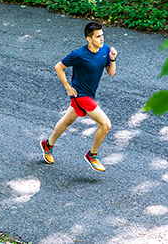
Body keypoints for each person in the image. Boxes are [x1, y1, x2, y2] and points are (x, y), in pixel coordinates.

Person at [40, 22, 117, 172]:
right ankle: (92, 155)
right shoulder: (79, 54)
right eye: (98, 36)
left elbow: (111, 72)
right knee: (106, 124)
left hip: (90, 94)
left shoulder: (105, 49)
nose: (102, 39)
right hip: (80, 96)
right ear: (89, 39)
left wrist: (112, 59)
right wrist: (67, 86)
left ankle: (47, 144)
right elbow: (59, 66)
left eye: (102, 35)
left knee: (68, 120)